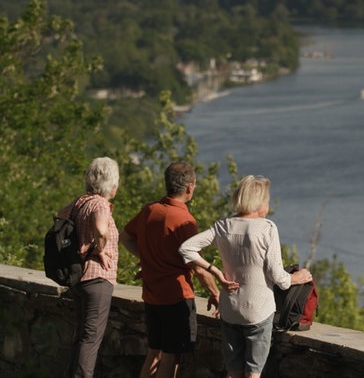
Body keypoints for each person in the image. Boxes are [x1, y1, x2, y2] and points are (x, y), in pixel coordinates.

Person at [179, 175, 313, 378]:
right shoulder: (267, 228)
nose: (268, 204)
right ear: (259, 201)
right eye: (267, 199)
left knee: (233, 372)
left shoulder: (223, 226)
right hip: (259, 310)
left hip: (230, 309)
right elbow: (279, 277)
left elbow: (186, 248)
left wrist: (216, 273)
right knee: (253, 374)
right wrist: (299, 277)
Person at [120, 162, 230, 378]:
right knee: (172, 357)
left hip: (152, 296)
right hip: (176, 297)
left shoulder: (150, 210)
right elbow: (197, 267)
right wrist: (216, 293)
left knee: (154, 353)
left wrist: (148, 259)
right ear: (190, 187)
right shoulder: (184, 220)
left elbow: (125, 237)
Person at [59, 157, 120, 378]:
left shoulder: (79, 202)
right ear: (111, 184)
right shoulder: (100, 204)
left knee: (82, 335)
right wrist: (99, 249)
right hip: (98, 279)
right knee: (91, 338)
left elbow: (59, 214)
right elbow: (101, 230)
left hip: (80, 277)